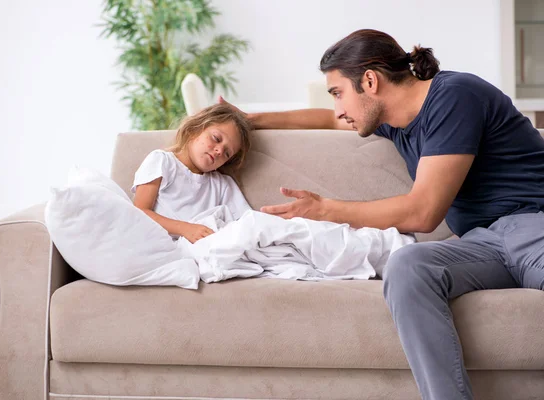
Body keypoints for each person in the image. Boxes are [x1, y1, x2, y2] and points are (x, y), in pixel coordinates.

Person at [221, 28, 544, 400]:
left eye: (339, 92)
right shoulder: (395, 122)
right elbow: (330, 120)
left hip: (533, 224)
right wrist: (252, 119)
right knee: (408, 265)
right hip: (481, 242)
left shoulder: (455, 96)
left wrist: (324, 210)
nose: (339, 107)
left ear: (370, 81)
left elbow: (423, 212)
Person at [132, 103, 253, 244]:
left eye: (227, 153)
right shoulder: (162, 161)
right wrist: (185, 229)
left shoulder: (222, 184)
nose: (219, 151)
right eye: (216, 138)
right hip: (158, 244)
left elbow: (247, 222)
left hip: (201, 250)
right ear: (194, 129)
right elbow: (139, 211)